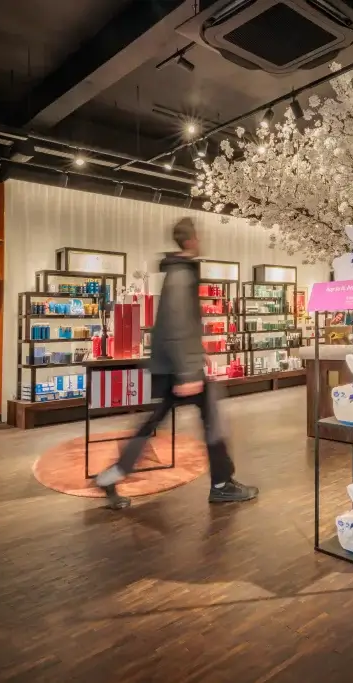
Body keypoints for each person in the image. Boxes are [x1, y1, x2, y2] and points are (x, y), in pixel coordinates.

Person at [94, 218, 259, 509]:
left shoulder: (176, 271)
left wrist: (196, 352)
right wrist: (187, 371)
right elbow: (176, 320)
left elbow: (180, 323)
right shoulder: (182, 273)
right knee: (211, 420)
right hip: (180, 368)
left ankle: (112, 475)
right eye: (199, 236)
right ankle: (221, 484)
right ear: (192, 240)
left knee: (154, 421)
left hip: (173, 363)